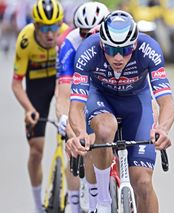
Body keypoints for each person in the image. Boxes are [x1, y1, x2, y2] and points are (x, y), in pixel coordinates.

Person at [66, 10, 174, 213]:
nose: (117, 57)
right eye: (110, 49)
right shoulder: (87, 50)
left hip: (136, 103)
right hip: (100, 98)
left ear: (134, 45)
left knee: (142, 182)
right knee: (106, 128)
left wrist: (163, 128)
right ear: (101, 44)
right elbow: (76, 106)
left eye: (125, 50)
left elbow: (166, 101)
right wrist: (80, 133)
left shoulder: (149, 49)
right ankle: (103, 200)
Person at [11, 0, 68, 212]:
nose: (51, 34)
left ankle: (73, 199)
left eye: (55, 26)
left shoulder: (67, 35)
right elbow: (16, 83)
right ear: (35, 25)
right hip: (36, 86)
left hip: (62, 81)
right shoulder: (25, 40)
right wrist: (29, 109)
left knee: (75, 139)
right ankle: (37, 206)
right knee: (36, 150)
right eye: (45, 28)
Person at [56, 2, 110, 212]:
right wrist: (65, 121)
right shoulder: (70, 44)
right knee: (77, 141)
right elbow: (64, 92)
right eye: (86, 34)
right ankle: (77, 203)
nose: (91, 38)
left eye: (96, 32)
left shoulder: (117, 40)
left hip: (106, 89)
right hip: (80, 91)